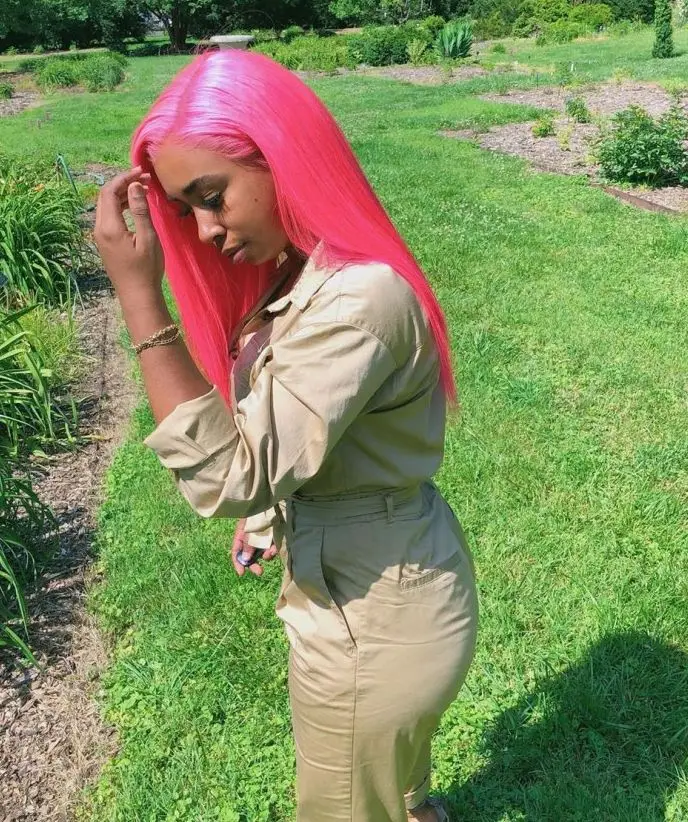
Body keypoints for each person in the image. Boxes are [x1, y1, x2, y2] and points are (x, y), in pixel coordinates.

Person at [94, 48, 478, 822]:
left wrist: (140, 299)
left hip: (370, 622)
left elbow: (232, 475)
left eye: (213, 197)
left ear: (282, 158)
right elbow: (301, 429)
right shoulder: (306, 271)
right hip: (382, 584)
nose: (205, 230)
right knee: (395, 792)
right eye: (186, 211)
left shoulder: (357, 299)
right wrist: (273, 520)